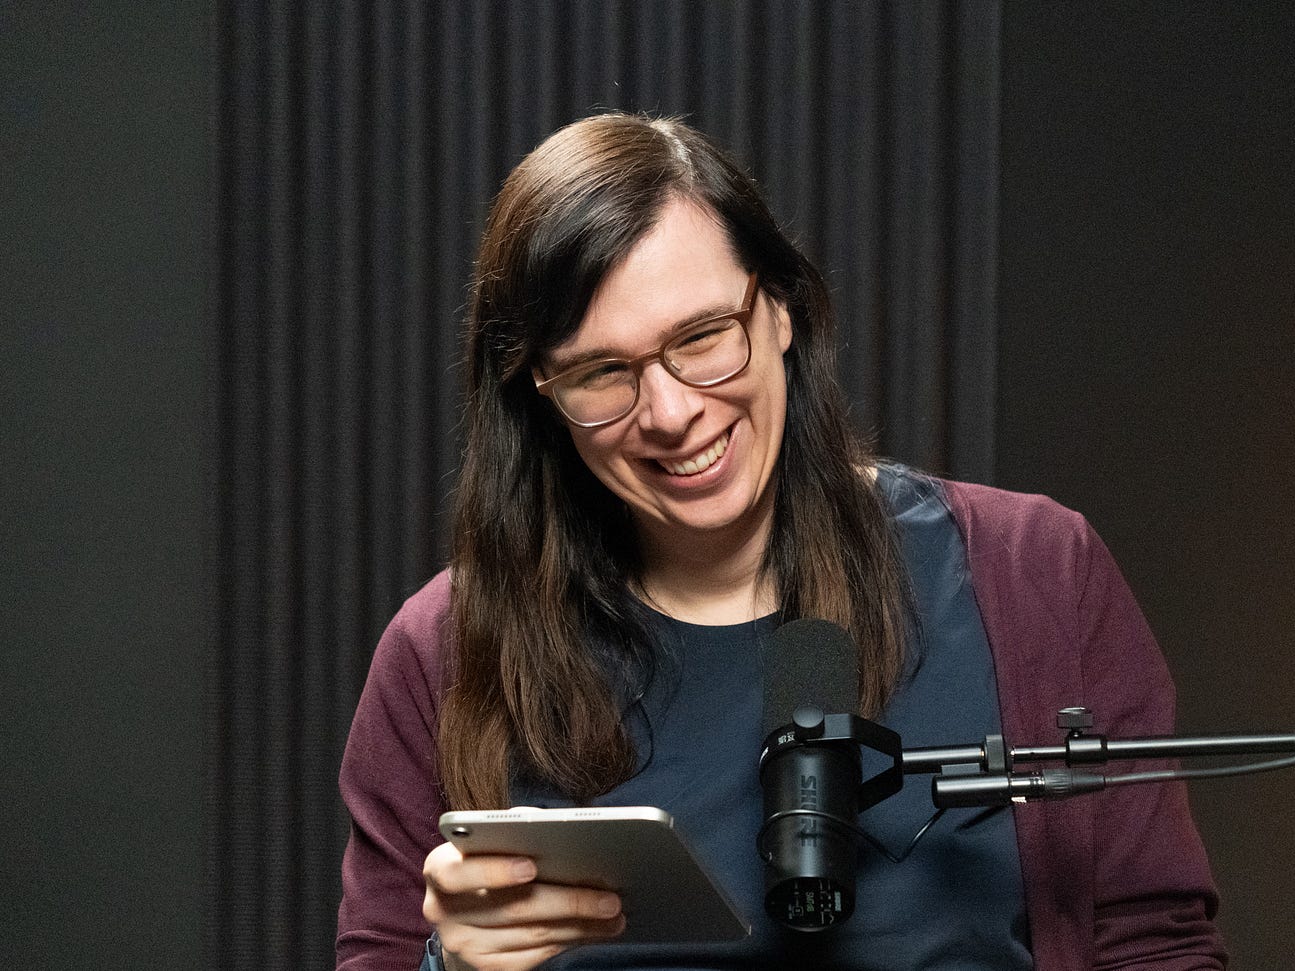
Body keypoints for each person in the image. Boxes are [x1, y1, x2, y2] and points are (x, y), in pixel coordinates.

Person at [336, 113, 1227, 971]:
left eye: (701, 337)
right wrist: (446, 964)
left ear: (781, 310)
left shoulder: (1036, 573)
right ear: (540, 390)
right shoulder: (444, 654)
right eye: (602, 372)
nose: (672, 412)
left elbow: (1157, 946)